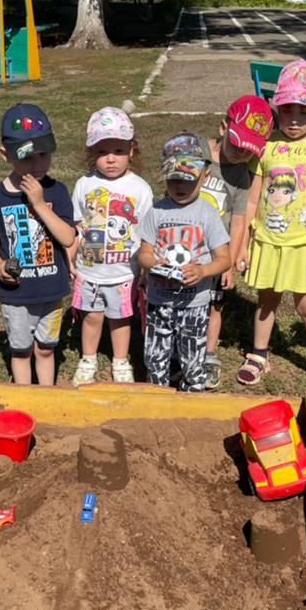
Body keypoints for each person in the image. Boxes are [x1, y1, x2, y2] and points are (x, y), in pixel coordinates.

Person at [235, 60, 306, 390]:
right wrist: (242, 244)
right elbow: (252, 199)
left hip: (304, 243)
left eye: (304, 111)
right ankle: (258, 354)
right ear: (276, 106)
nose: (294, 119)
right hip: (267, 241)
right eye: (286, 110)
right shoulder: (266, 145)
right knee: (266, 301)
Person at [0, 103, 76, 386]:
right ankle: (24, 396)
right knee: (21, 351)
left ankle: (47, 393)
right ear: (5, 155)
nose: (37, 164)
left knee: (46, 349)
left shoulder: (57, 191)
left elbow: (68, 237)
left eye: (44, 154)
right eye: (27, 157)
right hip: (16, 293)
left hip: (51, 289)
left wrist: (40, 204)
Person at [136, 134, 232, 392]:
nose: (179, 185)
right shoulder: (157, 211)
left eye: (187, 179)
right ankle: (156, 397)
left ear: (205, 176)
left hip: (194, 304)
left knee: (192, 360)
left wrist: (202, 271)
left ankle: (192, 397)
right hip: (159, 302)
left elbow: (225, 259)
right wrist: (153, 265)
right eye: (173, 178)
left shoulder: (207, 214)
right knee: (154, 357)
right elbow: (144, 253)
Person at [69, 106, 152, 386]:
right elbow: (77, 226)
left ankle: (120, 360)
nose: (111, 159)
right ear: (92, 152)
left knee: (120, 319)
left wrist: (145, 269)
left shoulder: (140, 188)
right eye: (103, 151)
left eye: (118, 150)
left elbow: (147, 232)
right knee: (92, 317)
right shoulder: (84, 184)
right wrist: (70, 258)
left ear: (131, 150)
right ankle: (88, 359)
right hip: (90, 271)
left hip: (124, 273)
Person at [200, 95, 272, 389]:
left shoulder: (242, 174)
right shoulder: (197, 151)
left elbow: (240, 221)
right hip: (186, 247)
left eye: (249, 150)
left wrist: (229, 262)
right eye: (237, 144)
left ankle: (208, 354)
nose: (241, 153)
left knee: (214, 305)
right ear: (223, 127)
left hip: (217, 254)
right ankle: (180, 349)